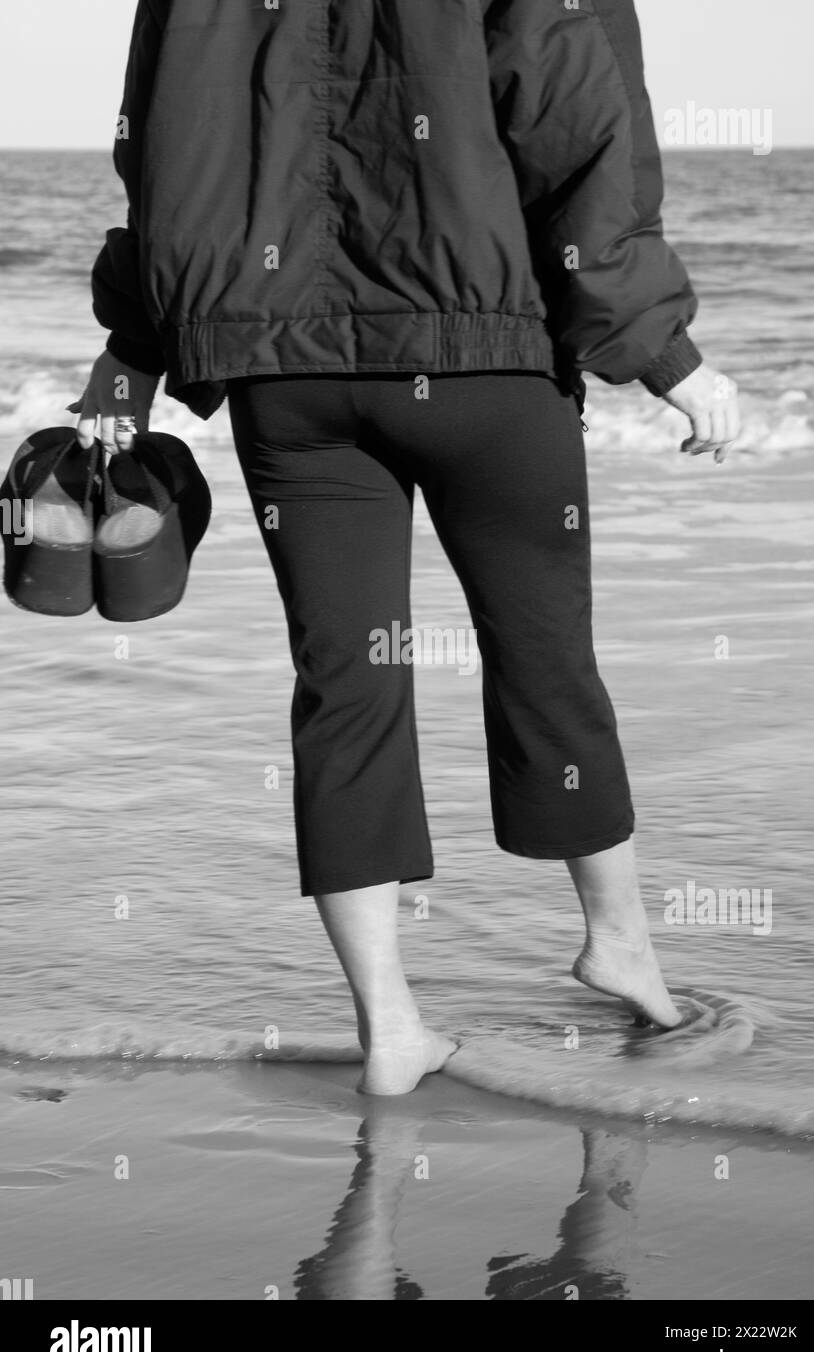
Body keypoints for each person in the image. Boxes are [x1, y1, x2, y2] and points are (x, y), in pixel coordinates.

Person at [71, 0, 740, 1095]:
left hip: (285, 376)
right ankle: (620, 944)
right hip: (487, 352)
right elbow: (576, 121)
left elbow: (164, 137)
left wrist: (133, 353)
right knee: (545, 658)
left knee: (344, 684)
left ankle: (390, 1026)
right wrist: (661, 351)